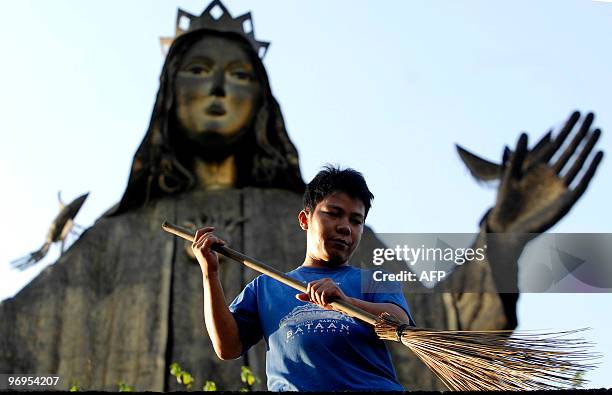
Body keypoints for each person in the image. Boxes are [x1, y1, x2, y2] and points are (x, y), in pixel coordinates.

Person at [192, 166, 415, 391]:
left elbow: (400, 323)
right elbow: (228, 347)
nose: (345, 227)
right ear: (305, 219)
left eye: (356, 220)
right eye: (333, 213)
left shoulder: (375, 279)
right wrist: (210, 274)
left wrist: (347, 303)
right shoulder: (267, 286)